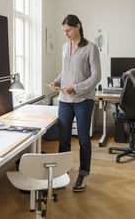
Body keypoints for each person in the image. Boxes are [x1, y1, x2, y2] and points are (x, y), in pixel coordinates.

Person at [50, 14, 101, 192]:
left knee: (84, 140)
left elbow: (96, 77)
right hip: (64, 100)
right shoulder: (65, 47)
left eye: (68, 30)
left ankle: (83, 174)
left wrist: (76, 88)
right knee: (63, 139)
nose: (66, 34)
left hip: (83, 100)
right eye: (64, 31)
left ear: (78, 26)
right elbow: (65, 71)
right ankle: (62, 173)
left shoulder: (91, 48)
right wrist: (57, 81)